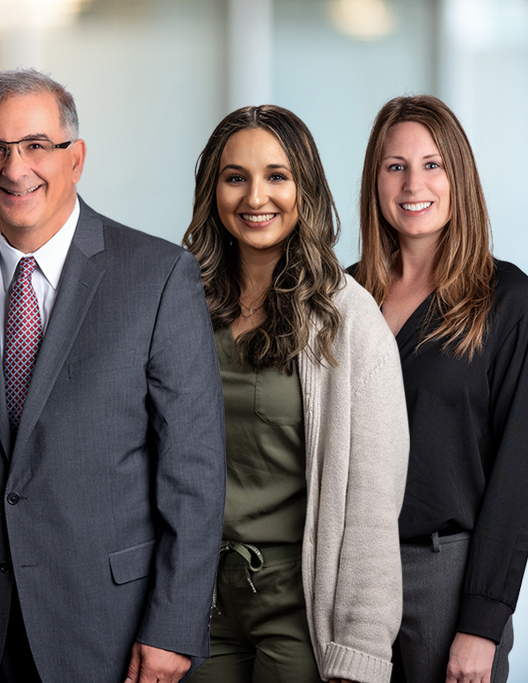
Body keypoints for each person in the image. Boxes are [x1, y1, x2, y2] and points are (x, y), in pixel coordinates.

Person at [0, 68, 226, 683]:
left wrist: (174, 625)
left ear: (76, 158)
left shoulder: (159, 276)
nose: (15, 169)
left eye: (37, 145)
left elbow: (192, 473)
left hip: (112, 627)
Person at [182, 105, 408, 683]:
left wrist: (360, 650)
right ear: (213, 190)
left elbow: (371, 507)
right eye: (236, 177)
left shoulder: (349, 320)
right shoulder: (177, 304)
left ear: (305, 187)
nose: (256, 197)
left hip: (302, 604)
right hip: (196, 600)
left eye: (277, 176)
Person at [352, 95, 528, 683]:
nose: (414, 184)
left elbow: (520, 473)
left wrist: (482, 622)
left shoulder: (507, 301)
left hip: (445, 575)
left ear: (459, 176)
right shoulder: (342, 297)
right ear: (375, 180)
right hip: (347, 573)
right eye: (396, 166)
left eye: (433, 164)